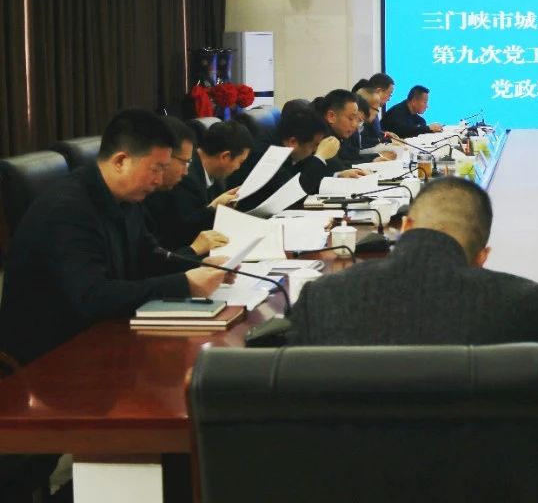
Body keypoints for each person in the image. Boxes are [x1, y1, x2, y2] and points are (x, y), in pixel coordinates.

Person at [286, 176, 538, 428]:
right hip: (482, 482)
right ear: (482, 257)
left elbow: (286, 402)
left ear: (406, 227)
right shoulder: (522, 301)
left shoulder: (322, 295)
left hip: (346, 480)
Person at [0, 110, 231, 364]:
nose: (159, 180)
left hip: (100, 334)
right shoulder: (67, 209)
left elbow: (149, 257)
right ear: (121, 161)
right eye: (155, 169)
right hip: (51, 354)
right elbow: (94, 296)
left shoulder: (127, 197)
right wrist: (185, 284)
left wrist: (202, 266)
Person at [143, 119, 249, 250]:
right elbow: (181, 233)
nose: (185, 171)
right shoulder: (186, 180)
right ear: (225, 157)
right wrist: (212, 209)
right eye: (240, 162)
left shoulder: (217, 176)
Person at [230, 106, 338, 212]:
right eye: (315, 145)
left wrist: (337, 174)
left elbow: (307, 178)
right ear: (293, 142)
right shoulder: (265, 154)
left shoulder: (289, 151)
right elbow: (294, 194)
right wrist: (320, 157)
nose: (315, 151)